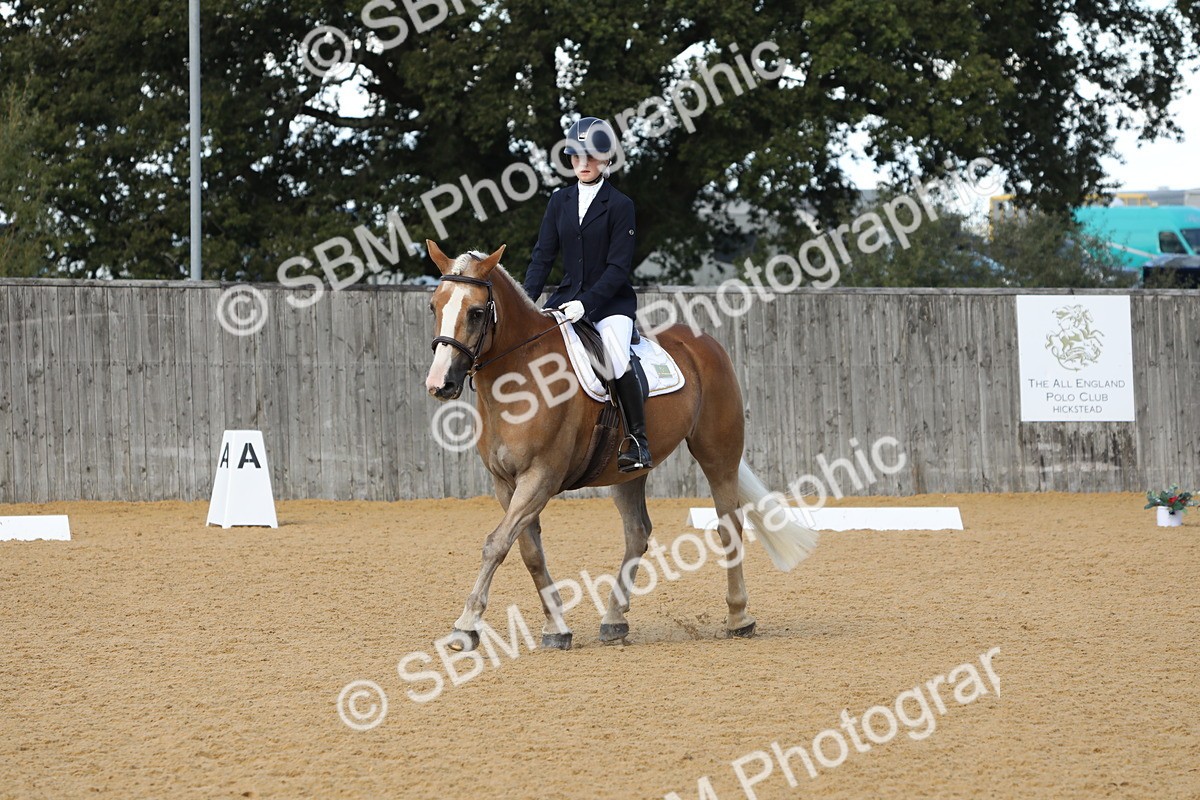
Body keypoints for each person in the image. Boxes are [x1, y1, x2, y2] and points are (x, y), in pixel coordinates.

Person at [523, 116, 652, 472]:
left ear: (607, 159)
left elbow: (617, 268)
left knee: (615, 357)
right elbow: (542, 256)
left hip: (610, 304)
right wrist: (524, 300)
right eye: (576, 156)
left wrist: (587, 303)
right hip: (565, 300)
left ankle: (638, 441)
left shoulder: (620, 205)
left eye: (592, 157)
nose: (583, 164)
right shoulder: (559, 201)